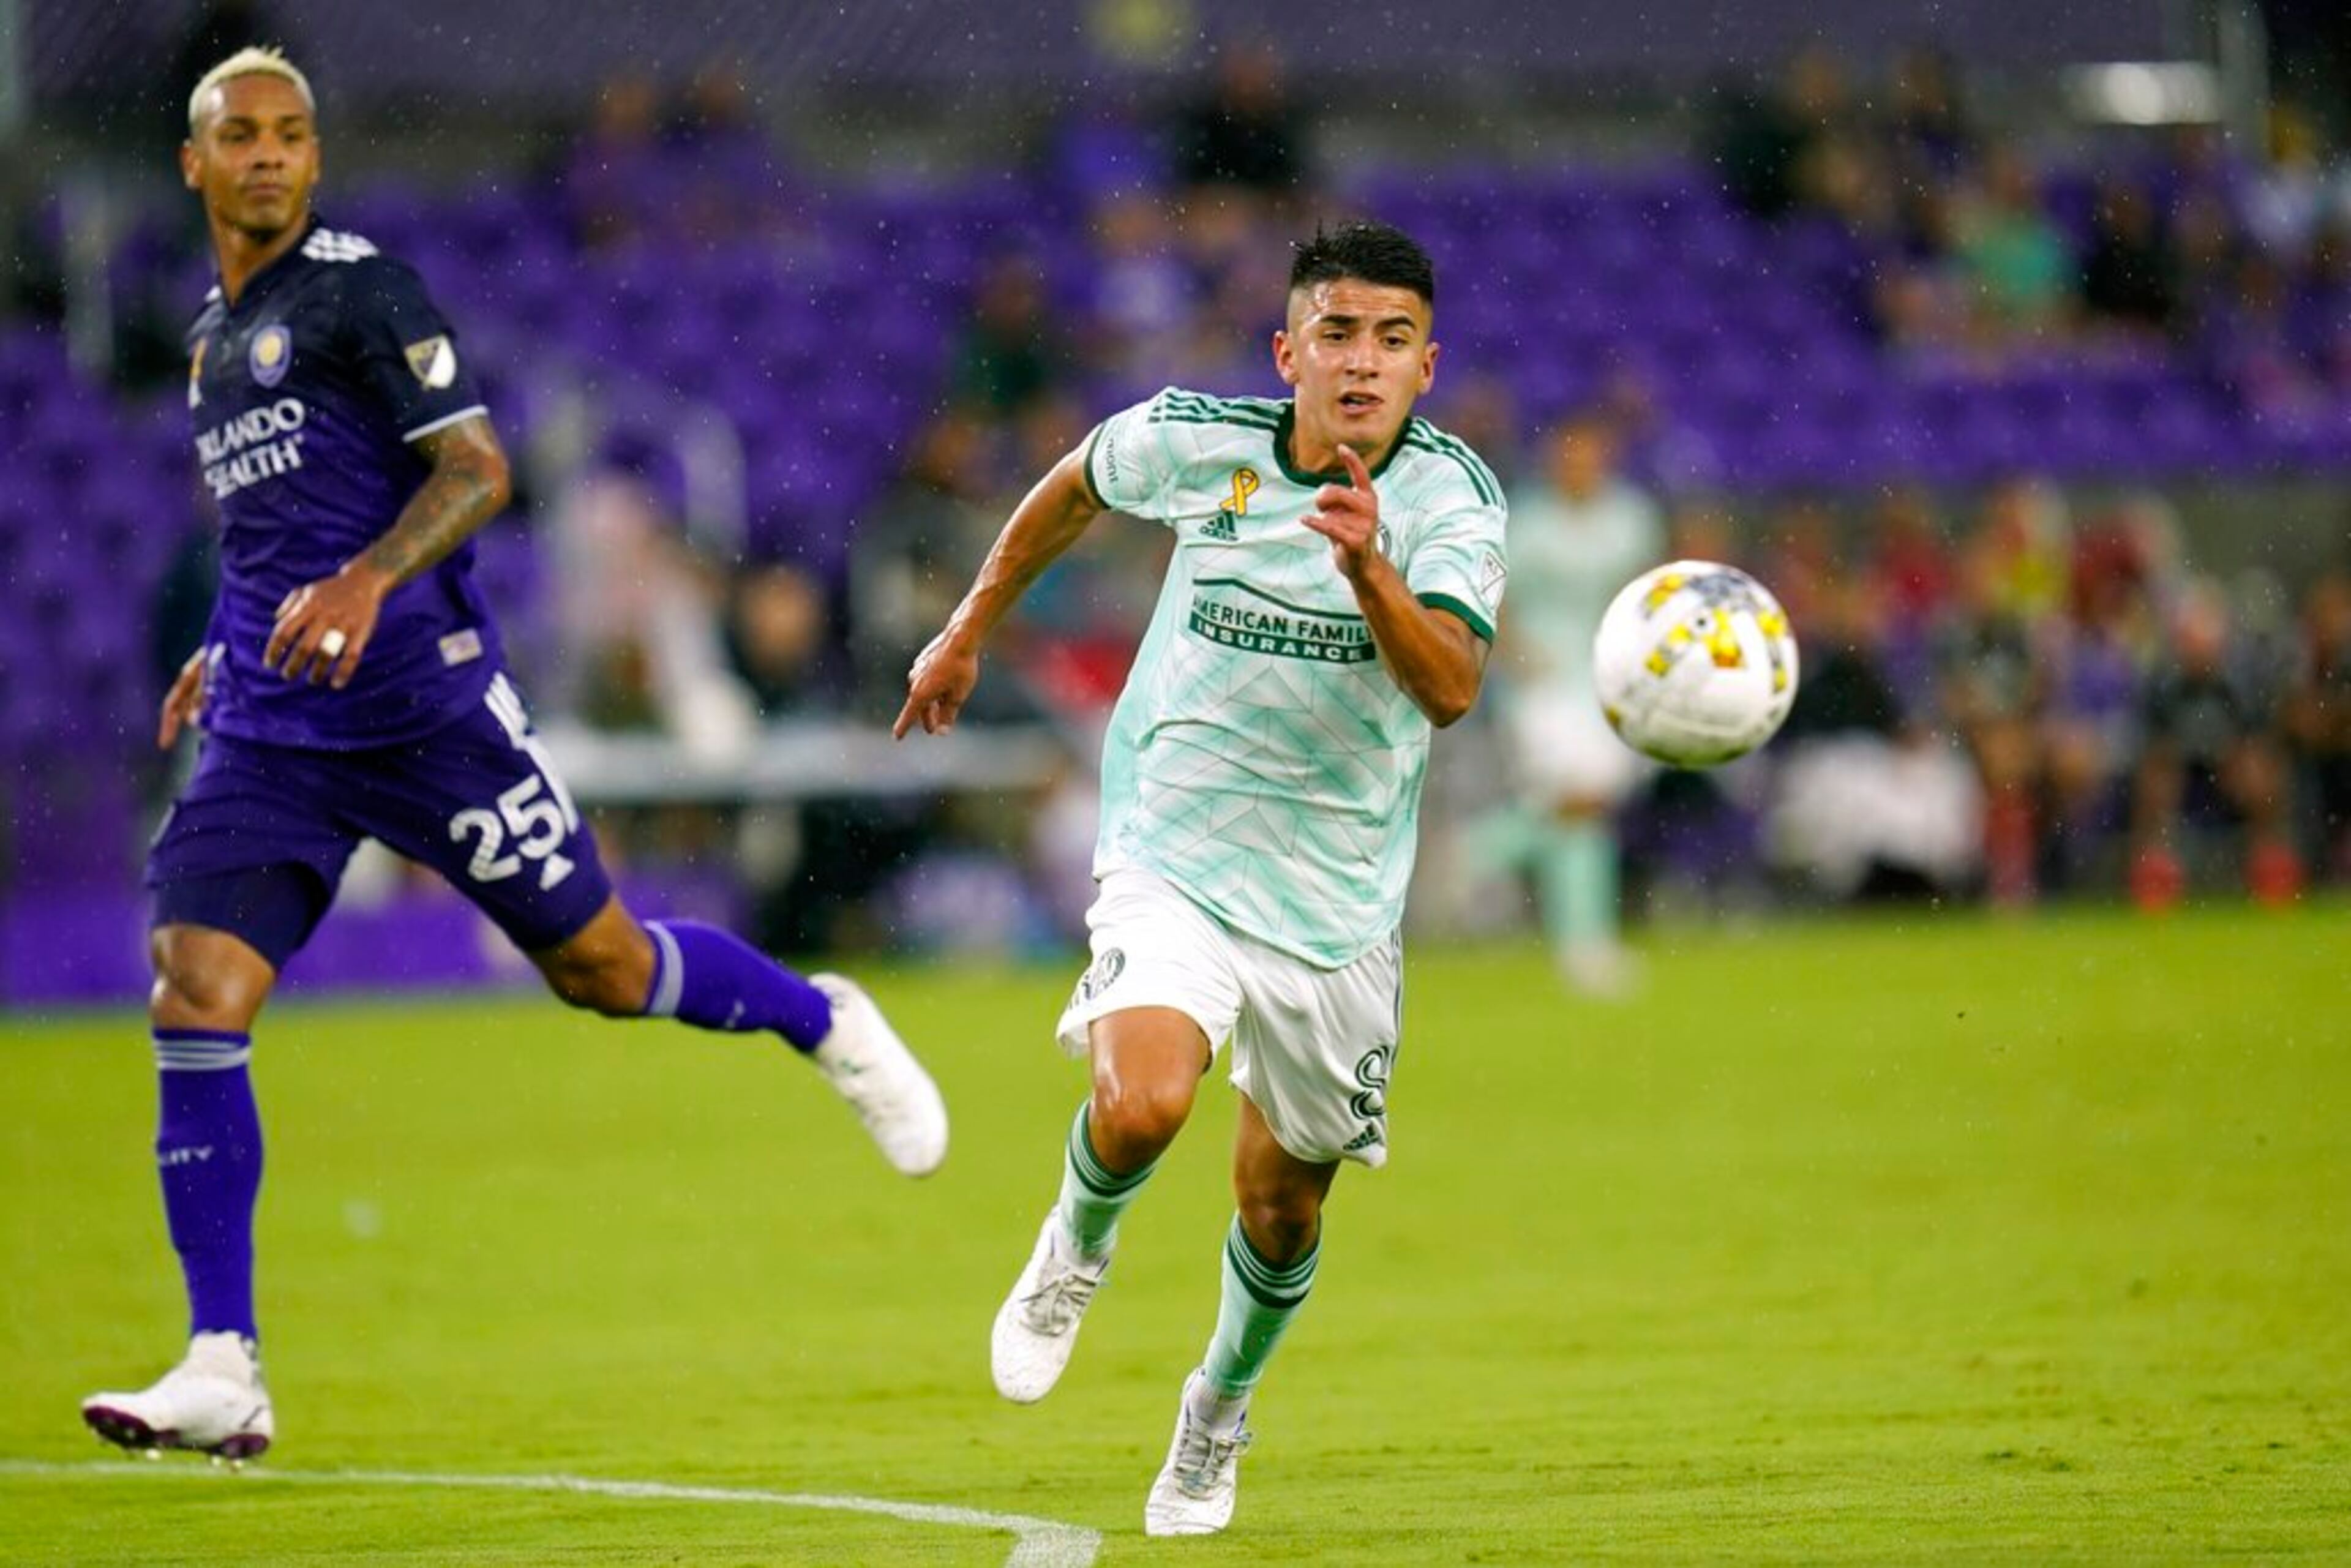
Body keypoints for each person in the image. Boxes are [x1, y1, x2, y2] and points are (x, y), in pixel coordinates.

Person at [80, 49, 948, 1466]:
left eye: (293, 133)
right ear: (194, 163)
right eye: (240, 135)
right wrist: (233, 644)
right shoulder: (207, 342)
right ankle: (223, 1357)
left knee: (600, 966)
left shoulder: (362, 291)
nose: (270, 156)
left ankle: (820, 1016)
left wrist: (364, 584)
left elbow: (478, 466)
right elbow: (270, 538)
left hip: (425, 707)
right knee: (196, 985)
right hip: (277, 726)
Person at [895, 220, 1507, 1536]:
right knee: (1143, 1099)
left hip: (1336, 904)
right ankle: (1074, 1244)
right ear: (1287, 350)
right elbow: (1071, 484)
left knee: (1282, 1203)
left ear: (1427, 366)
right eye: (1337, 333)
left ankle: (1216, 1411)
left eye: (1392, 340)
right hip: (1175, 841)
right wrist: (965, 629)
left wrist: (1368, 567)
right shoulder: (1197, 439)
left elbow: (1452, 685)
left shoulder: (1455, 504)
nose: (1362, 362)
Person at [1491, 410, 1663, 996]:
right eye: (1570, 452)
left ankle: (1468, 858)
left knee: (1575, 811)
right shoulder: (1528, 522)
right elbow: (1497, 598)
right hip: (1541, 686)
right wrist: (1515, 657)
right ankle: (1586, 948)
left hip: (1604, 683)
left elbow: (1645, 595)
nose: (1579, 463)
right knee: (1581, 805)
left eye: (1589, 452)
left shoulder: (1631, 518)